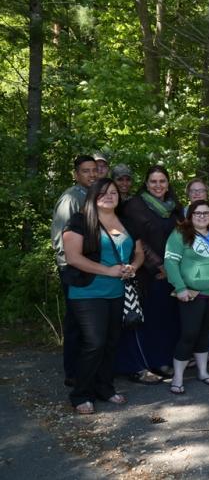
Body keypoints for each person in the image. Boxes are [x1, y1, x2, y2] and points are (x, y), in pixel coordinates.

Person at [62, 178, 144, 414]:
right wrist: (107, 270)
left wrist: (133, 267)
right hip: (87, 291)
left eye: (114, 192)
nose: (109, 196)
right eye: (104, 193)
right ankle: (81, 394)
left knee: (111, 342)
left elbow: (138, 253)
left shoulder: (127, 222)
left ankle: (105, 388)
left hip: (117, 291)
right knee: (94, 343)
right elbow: (73, 257)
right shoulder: (79, 221)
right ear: (93, 196)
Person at [116, 165, 184, 384]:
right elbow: (136, 240)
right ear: (146, 184)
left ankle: (165, 358)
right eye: (153, 181)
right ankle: (149, 362)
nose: (158, 185)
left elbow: (184, 235)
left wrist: (177, 266)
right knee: (151, 318)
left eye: (162, 181)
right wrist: (158, 265)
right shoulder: (134, 206)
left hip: (174, 272)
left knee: (169, 317)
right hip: (149, 273)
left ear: (168, 183)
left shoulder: (174, 206)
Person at [164, 200, 209, 394]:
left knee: (205, 332)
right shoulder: (180, 234)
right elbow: (170, 263)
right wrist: (180, 287)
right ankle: (177, 378)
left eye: (206, 213)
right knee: (189, 334)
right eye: (197, 213)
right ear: (190, 215)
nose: (202, 216)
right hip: (193, 294)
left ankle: (203, 372)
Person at [51, 154, 98, 387]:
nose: (91, 174)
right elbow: (62, 237)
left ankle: (87, 369)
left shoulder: (92, 195)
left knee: (88, 321)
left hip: (89, 267)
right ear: (76, 174)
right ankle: (72, 372)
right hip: (73, 269)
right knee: (76, 322)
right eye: (86, 171)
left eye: (94, 170)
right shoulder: (71, 198)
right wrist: (69, 267)